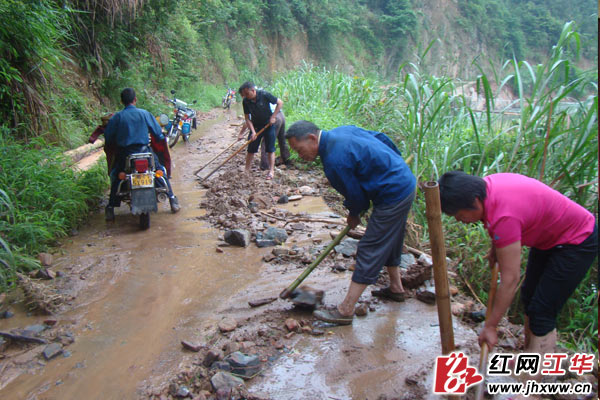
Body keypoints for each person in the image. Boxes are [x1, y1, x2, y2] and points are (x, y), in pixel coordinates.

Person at [438, 171, 597, 396]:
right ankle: (531, 357)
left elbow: (510, 280)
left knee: (542, 310)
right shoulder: (488, 187)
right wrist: (497, 246)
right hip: (549, 238)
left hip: (577, 239)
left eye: (459, 214)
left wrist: (491, 326)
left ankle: (533, 387)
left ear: (474, 200)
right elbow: (502, 223)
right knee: (529, 296)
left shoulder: (504, 216)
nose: (458, 219)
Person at [285, 121, 416, 324]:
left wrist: (354, 214)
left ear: (312, 138)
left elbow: (357, 197)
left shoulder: (333, 161)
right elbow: (381, 137)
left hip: (394, 193)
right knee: (391, 237)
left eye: (299, 150)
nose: (299, 155)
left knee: (370, 247)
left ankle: (346, 310)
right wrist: (395, 161)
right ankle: (396, 288)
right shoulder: (341, 131)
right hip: (402, 181)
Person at [103, 88, 180, 221]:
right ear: (135, 100)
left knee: (116, 174)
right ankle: (172, 200)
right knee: (160, 171)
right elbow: (158, 134)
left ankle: (110, 207)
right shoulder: (145, 114)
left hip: (125, 155)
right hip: (145, 152)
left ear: (121, 101)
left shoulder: (117, 117)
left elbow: (108, 137)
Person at [238, 81, 283, 180]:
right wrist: (253, 132)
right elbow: (247, 119)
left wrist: (273, 117)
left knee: (270, 149)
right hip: (256, 126)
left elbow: (280, 102)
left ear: (253, 90)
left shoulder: (264, 95)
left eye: (247, 94)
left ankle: (271, 171)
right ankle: (247, 170)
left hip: (268, 125)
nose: (246, 96)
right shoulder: (246, 101)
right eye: (244, 95)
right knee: (251, 149)